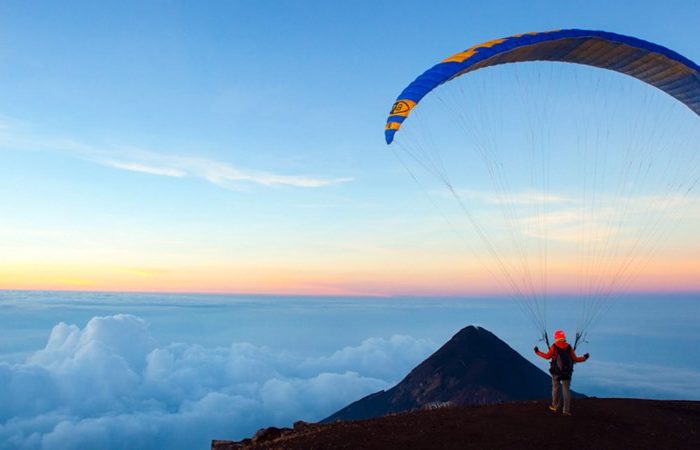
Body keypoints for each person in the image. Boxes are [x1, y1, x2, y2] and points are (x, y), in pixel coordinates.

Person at [534, 330, 589, 416]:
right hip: (567, 372)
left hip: (556, 372)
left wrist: (537, 352)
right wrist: (584, 357)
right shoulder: (569, 347)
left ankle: (555, 406)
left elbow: (547, 356)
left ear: (556, 337)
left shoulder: (554, 346)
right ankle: (566, 410)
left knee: (556, 388)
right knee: (566, 390)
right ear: (563, 337)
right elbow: (575, 359)